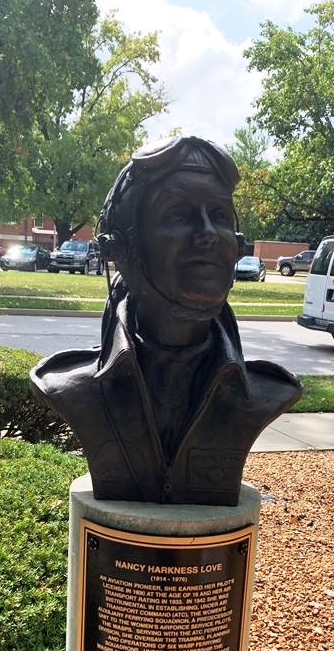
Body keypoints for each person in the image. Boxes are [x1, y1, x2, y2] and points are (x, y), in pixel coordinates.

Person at [30, 135, 302, 505]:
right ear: (121, 248)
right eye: (176, 213)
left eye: (219, 215)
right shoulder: (71, 387)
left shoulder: (267, 391)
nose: (207, 234)